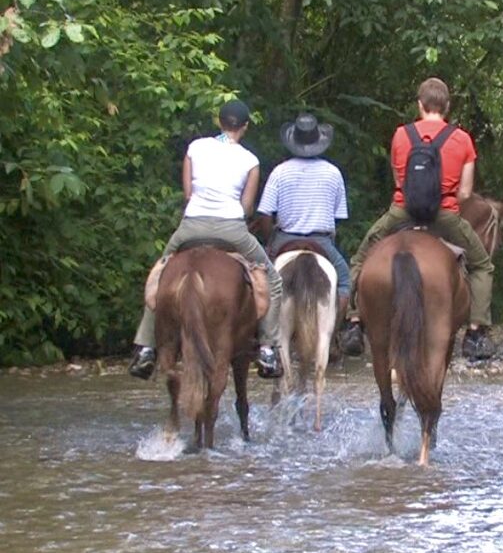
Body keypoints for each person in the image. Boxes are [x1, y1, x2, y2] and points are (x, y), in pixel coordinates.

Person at [128, 100, 283, 380]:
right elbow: (247, 207)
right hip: (232, 229)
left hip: (191, 226)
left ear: (219, 122)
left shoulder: (196, 148)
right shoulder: (250, 160)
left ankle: (146, 347)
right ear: (245, 127)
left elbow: (188, 194)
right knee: (272, 279)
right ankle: (268, 349)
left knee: (161, 273)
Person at [342, 77, 495, 361]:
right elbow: (464, 192)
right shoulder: (462, 139)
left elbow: (399, 179)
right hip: (445, 215)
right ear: (447, 107)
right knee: (482, 264)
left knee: (361, 258)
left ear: (419, 104)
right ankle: (476, 332)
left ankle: (353, 322)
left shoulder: (401, 135)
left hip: (402, 210)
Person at [256, 113, 351, 328]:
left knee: (259, 279)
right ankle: (335, 332)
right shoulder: (333, 172)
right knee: (345, 280)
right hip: (322, 241)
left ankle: (264, 338)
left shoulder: (279, 172)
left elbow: (265, 214)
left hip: (284, 239)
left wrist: (270, 240)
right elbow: (339, 217)